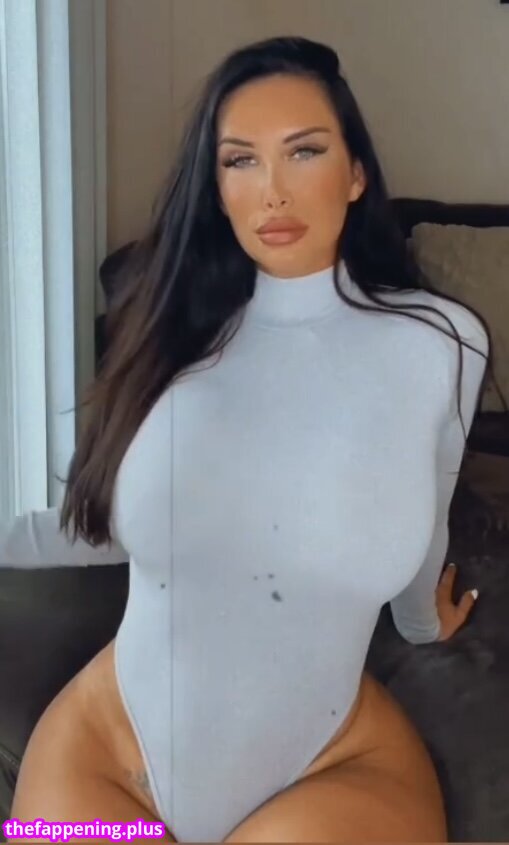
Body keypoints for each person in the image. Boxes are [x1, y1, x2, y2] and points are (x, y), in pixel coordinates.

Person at [0, 36, 490, 844]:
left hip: (329, 766)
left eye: (303, 151)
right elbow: (108, 525)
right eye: (240, 161)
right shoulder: (169, 334)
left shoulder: (440, 343)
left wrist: (419, 620)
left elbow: (422, 497)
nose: (272, 191)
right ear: (217, 189)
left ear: (355, 173)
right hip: (103, 757)